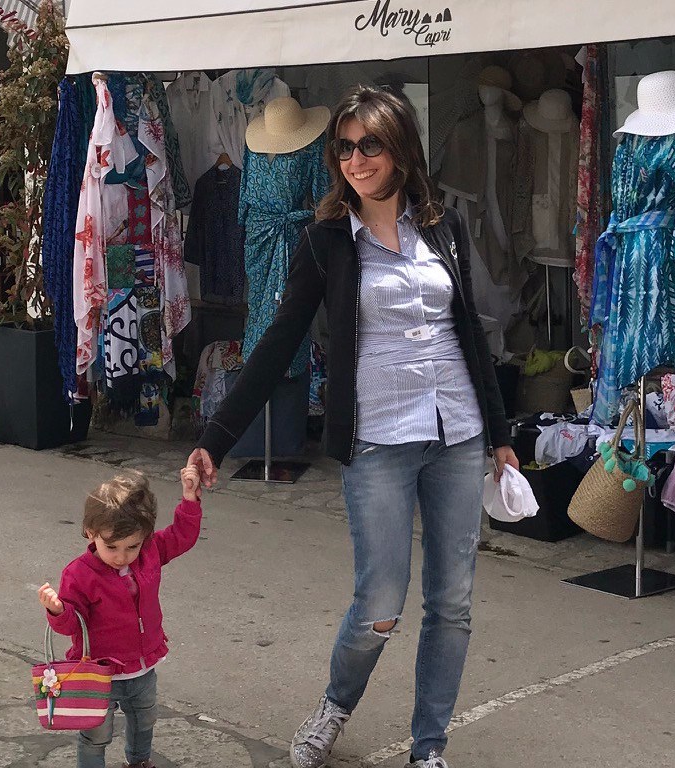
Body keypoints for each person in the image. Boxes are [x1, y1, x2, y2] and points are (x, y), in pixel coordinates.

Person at [185, 86, 519, 768]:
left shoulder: (444, 228)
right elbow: (278, 341)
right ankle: (335, 706)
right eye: (344, 147)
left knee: (451, 603)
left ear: (400, 149)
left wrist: (501, 433)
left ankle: (429, 747)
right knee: (379, 604)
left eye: (369, 144)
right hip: (377, 442)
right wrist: (214, 439)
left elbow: (470, 337)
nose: (355, 159)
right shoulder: (327, 241)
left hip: (456, 433)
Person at [38, 469, 203, 768]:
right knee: (95, 735)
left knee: (144, 720)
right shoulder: (79, 574)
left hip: (142, 666)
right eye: (111, 546)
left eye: (132, 546)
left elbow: (182, 535)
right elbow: (73, 624)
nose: (121, 556)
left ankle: (139, 762)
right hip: (99, 671)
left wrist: (189, 499)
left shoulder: (150, 552)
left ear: (145, 537)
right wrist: (58, 611)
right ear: (90, 532)